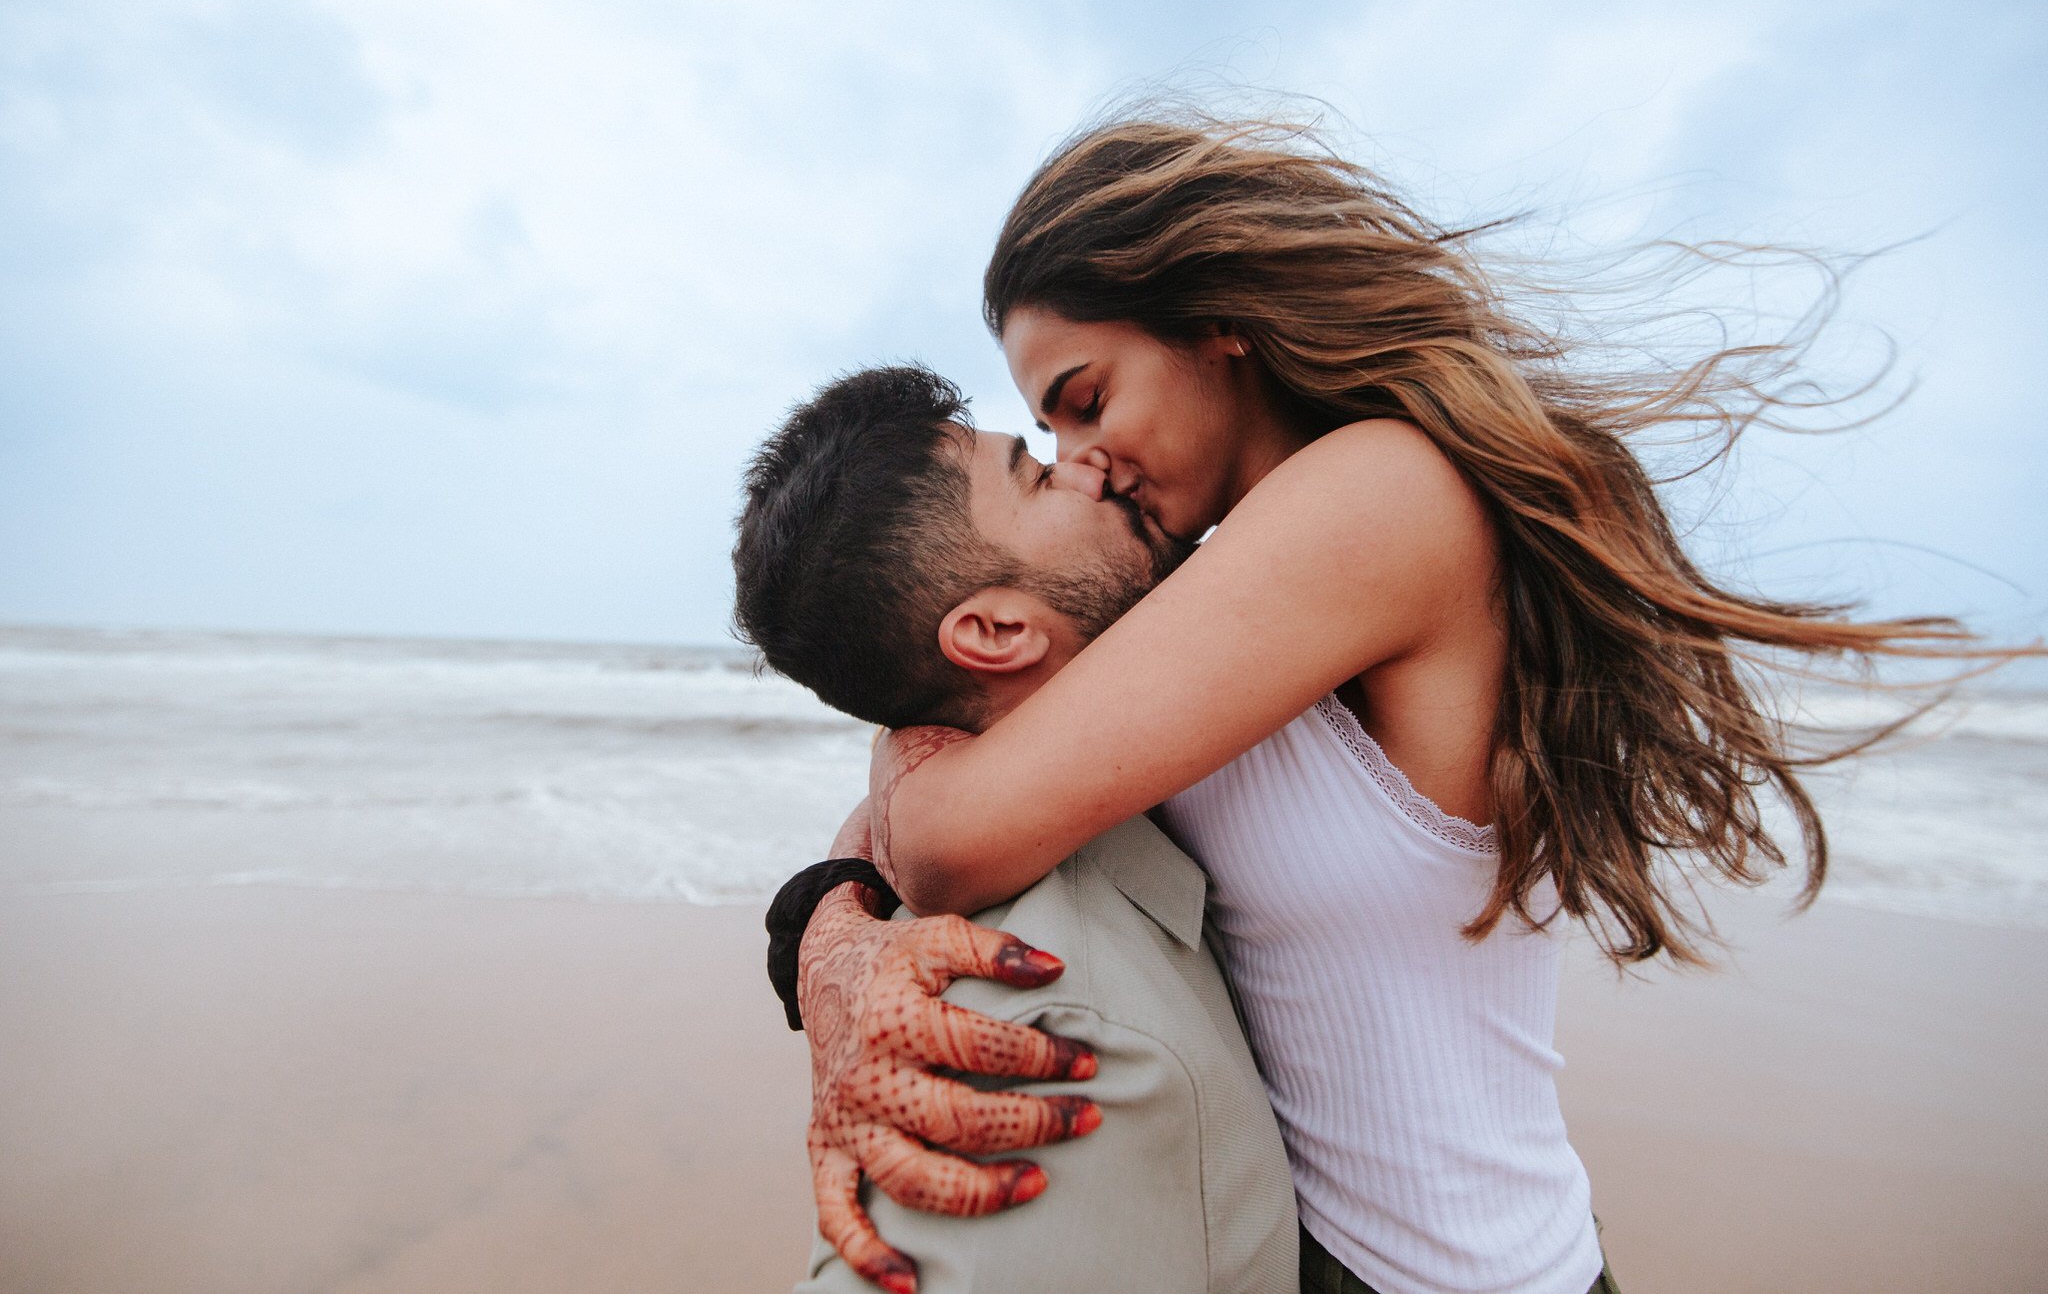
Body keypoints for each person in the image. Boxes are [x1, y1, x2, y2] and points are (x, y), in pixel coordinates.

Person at [785, 111, 2008, 1294]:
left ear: (1215, 322)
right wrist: (833, 931)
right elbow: (953, 740)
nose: (1080, 462)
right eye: (1048, 436)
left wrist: (840, 926)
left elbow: (951, 829)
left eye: (1086, 400)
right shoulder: (1211, 604)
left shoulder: (1379, 496)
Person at [734, 365, 1300, 1292]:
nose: (1085, 464)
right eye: (1036, 470)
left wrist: (828, 908)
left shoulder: (1125, 755)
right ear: (996, 632)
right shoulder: (1042, 1029)